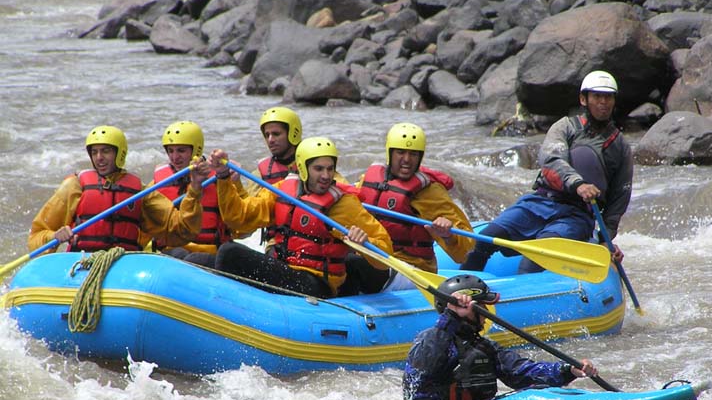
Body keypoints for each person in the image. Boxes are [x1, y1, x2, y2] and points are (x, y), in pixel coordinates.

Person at [460, 70, 633, 274]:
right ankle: (461, 293)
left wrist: (605, 239)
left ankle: (522, 298)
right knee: (485, 239)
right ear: (583, 99)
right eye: (597, 96)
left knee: (534, 259)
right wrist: (578, 184)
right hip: (541, 202)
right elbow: (551, 159)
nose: (603, 102)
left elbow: (618, 200)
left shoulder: (620, 148)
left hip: (577, 217)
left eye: (608, 97)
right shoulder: (565, 127)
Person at [207, 136, 394, 298]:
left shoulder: (344, 205)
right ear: (303, 169)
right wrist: (223, 177)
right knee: (213, 257)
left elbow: (386, 251)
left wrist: (365, 243)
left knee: (229, 254)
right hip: (286, 270)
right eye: (318, 169)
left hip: (317, 285)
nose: (326, 175)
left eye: (330, 169)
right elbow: (239, 218)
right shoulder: (283, 192)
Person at [402, 274, 597, 400]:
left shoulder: (485, 347)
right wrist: (451, 317)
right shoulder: (430, 339)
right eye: (483, 307)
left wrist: (567, 371)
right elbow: (423, 371)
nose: (487, 315)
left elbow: (523, 374)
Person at [340, 122, 475, 295]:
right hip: (374, 258)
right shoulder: (369, 178)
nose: (406, 160)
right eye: (401, 152)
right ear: (390, 153)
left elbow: (465, 252)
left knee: (352, 263)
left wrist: (448, 236)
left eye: (413, 154)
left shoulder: (430, 192)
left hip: (409, 270)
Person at [28, 125, 206, 254]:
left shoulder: (140, 192)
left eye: (105, 151)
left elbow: (182, 230)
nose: (100, 158)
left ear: (119, 153)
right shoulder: (74, 186)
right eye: (95, 152)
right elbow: (36, 236)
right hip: (83, 260)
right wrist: (54, 236)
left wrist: (195, 189)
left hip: (122, 264)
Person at [145, 120, 233, 268]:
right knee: (182, 256)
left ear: (196, 150)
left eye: (181, 150)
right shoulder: (157, 183)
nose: (175, 157)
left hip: (211, 252)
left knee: (198, 258)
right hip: (172, 252)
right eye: (170, 151)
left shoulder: (218, 178)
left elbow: (240, 224)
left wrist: (227, 177)